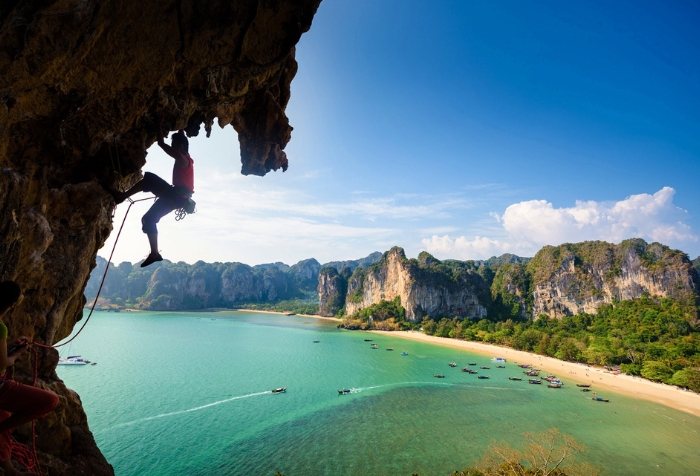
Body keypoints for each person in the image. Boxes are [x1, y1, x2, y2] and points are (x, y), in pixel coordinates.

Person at [109, 123, 195, 267]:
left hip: (175, 196)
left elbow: (161, 143)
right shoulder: (188, 158)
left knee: (149, 219)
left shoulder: (181, 158)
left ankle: (154, 253)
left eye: (174, 145)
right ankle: (122, 197)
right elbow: (182, 139)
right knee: (149, 181)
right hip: (177, 195)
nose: (172, 147)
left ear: (179, 147)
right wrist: (182, 125)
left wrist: (159, 121)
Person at [0, 281, 59, 476]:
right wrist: (19, 352)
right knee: (50, 401)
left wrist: (10, 342)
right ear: (13, 304)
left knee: (3, 414)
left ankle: (9, 470)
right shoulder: (0, 326)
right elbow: (3, 362)